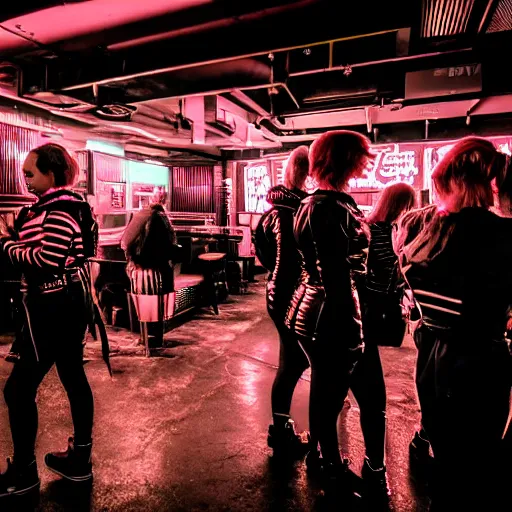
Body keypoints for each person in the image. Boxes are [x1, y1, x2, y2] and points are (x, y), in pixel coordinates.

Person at [393, 137, 512, 511]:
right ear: (491, 182)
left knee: (444, 457)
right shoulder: (502, 235)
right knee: (480, 465)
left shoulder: (421, 228)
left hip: (432, 359)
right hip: (482, 361)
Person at [0, 143, 100, 499]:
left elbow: (46, 261)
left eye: (30, 173)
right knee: (73, 377)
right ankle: (80, 460)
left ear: (52, 174)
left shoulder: (57, 211)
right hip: (67, 305)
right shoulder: (61, 206)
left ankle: (25, 472)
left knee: (18, 389)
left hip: (51, 309)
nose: (25, 180)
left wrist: (6, 244)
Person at [285, 130, 371, 493]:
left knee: (325, 390)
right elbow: (337, 275)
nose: (367, 162)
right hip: (329, 311)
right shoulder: (330, 207)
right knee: (329, 394)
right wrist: (354, 330)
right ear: (345, 160)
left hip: (310, 306)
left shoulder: (313, 203)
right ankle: (330, 466)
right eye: (361, 156)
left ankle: (323, 458)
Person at [351, 182, 416, 499]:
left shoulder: (371, 226)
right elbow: (385, 270)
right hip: (370, 308)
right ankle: (373, 469)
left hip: (364, 307)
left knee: (343, 388)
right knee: (370, 395)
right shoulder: (384, 231)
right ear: (401, 204)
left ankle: (337, 458)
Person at [254, 146, 310, 457]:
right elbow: (294, 260)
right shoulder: (303, 211)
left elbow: (262, 249)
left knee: (292, 359)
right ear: (308, 173)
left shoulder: (271, 211)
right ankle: (280, 431)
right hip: (295, 293)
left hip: (275, 291)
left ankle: (281, 427)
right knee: (295, 362)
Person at [121, 186, 178, 347]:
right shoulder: (164, 218)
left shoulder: (144, 217)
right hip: (163, 269)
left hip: (145, 270)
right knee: (159, 307)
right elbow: (171, 245)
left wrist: (132, 259)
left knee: (144, 306)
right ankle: (157, 338)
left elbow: (126, 242)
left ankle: (146, 338)